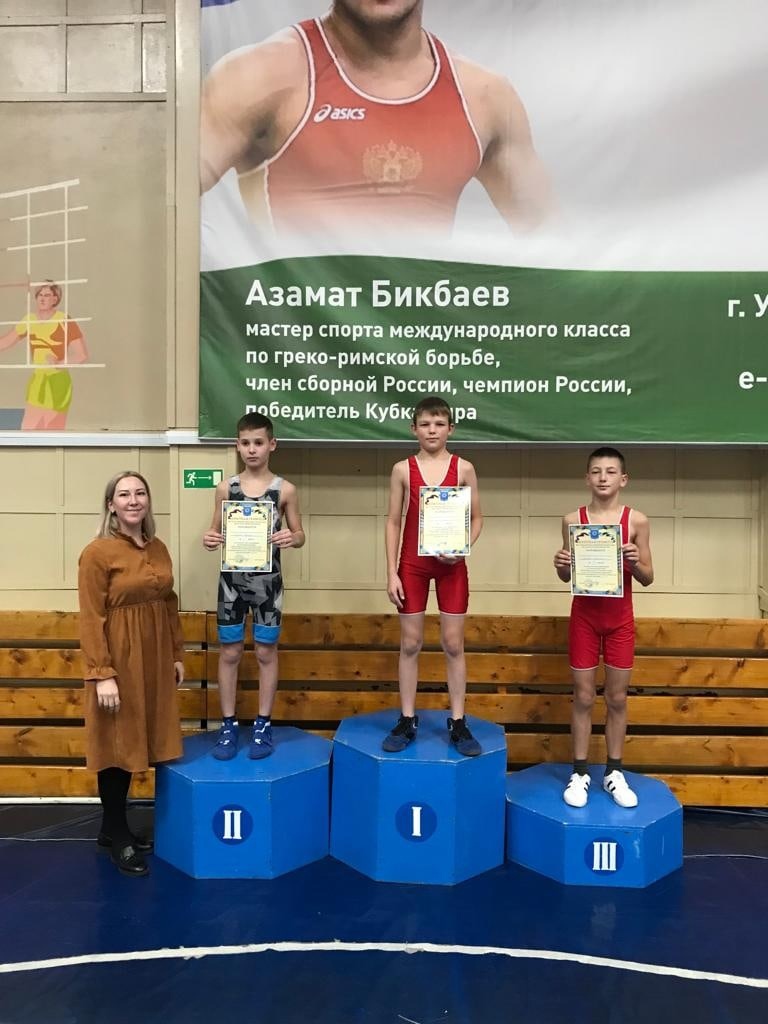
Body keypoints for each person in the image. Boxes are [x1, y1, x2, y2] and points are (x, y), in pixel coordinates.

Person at [200, 0, 551, 239]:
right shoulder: (257, 78)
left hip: (422, 327)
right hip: (297, 329)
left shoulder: (484, 96)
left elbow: (553, 245)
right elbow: (165, 204)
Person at [78, 472, 184, 877]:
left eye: (140, 492)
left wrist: (176, 654)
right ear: (111, 505)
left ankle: (109, 829)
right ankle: (119, 835)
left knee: (141, 737)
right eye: (124, 494)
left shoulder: (158, 547)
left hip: (154, 656)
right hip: (118, 658)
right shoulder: (97, 553)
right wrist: (102, 673)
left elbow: (169, 602)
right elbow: (91, 617)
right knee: (117, 744)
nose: (133, 500)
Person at [553, 447, 654, 809]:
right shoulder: (572, 520)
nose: (603, 477)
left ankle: (614, 772)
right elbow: (567, 574)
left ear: (623, 479)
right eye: (596, 471)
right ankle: (580, 772)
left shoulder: (637, 521)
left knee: (617, 698)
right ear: (587, 478)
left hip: (619, 619)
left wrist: (635, 562)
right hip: (585, 617)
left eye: (610, 472)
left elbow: (648, 577)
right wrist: (561, 564)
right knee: (583, 696)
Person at [383, 395, 483, 755]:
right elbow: (393, 521)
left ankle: (458, 721)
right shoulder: (402, 469)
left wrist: (462, 549)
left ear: (450, 429)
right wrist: (391, 572)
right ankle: (407, 719)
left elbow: (477, 519)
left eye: (439, 424)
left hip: (451, 566)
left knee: (453, 643)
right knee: (410, 643)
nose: (432, 430)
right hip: (412, 564)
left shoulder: (464, 468)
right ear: (414, 429)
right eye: (425, 424)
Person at [203, 412, 305, 760]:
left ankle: (263, 724)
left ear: (271, 445)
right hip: (231, 584)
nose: (252, 449)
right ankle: (228, 724)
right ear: (237, 445)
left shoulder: (284, 489)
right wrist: (210, 538)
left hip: (268, 585)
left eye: (258, 443)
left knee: (265, 653)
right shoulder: (226, 488)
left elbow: (300, 533)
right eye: (245, 443)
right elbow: (214, 531)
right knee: (230, 652)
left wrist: (292, 537)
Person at [0, 280, 88, 429]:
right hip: (38, 380)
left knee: (52, 431)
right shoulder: (30, 320)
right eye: (40, 295)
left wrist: (59, 364)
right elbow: (6, 342)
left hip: (57, 382)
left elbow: (81, 355)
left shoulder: (64, 320)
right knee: (28, 430)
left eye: (47, 295)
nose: (42, 298)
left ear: (55, 299)